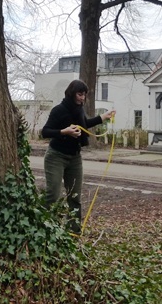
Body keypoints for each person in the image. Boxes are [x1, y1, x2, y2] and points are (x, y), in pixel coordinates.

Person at [41, 79, 115, 233]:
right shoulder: (59, 110)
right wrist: (64, 132)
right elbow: (45, 132)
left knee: (75, 197)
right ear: (72, 93)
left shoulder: (79, 109)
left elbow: (84, 124)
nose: (82, 98)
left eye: (84, 95)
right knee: (53, 194)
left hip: (75, 158)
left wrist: (103, 117)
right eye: (80, 94)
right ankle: (44, 228)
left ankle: (73, 232)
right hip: (56, 156)